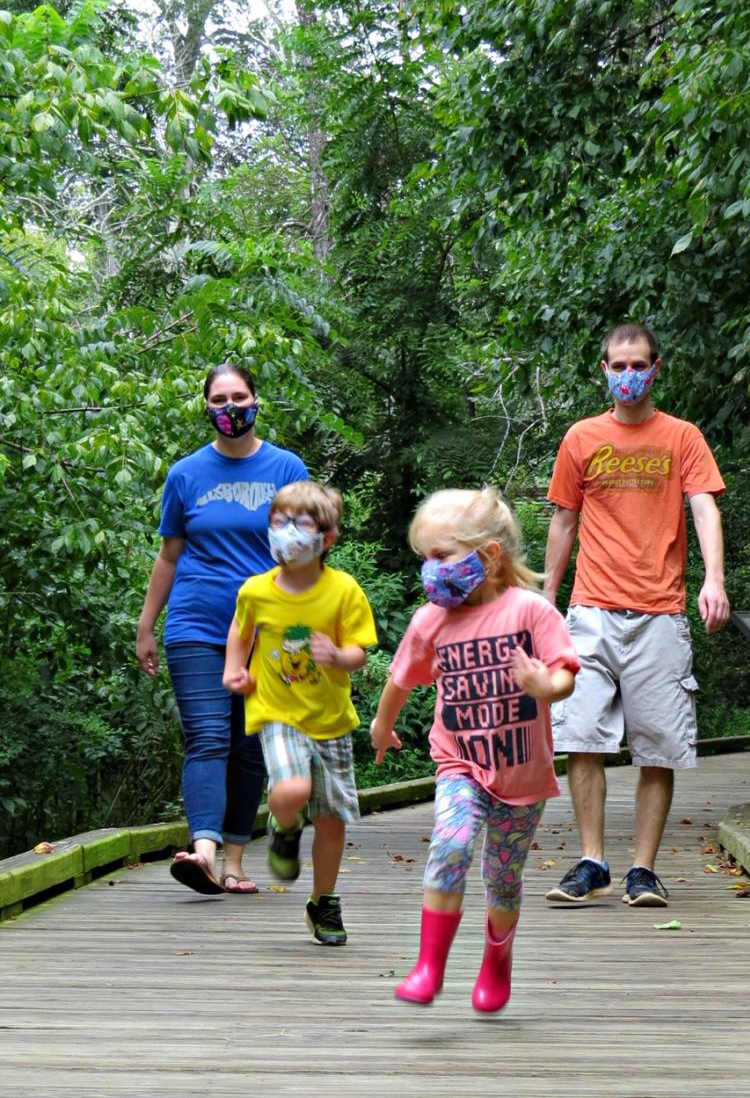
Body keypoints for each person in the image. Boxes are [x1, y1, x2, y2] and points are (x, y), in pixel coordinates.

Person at [370, 487, 579, 1011]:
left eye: (441, 556)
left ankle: (496, 961)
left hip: (523, 776)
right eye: (425, 557)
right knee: (451, 846)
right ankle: (429, 967)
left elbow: (566, 675)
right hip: (459, 763)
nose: (429, 569)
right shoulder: (430, 621)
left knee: (503, 880)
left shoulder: (530, 611)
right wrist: (380, 726)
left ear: (488, 556)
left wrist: (544, 685)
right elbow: (399, 681)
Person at [544, 323, 731, 909]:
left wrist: (715, 579)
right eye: (618, 365)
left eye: (639, 365)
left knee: (658, 746)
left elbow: (703, 509)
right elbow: (564, 522)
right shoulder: (581, 437)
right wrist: (546, 600)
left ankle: (642, 871)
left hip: (660, 613)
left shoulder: (682, 436)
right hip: (591, 611)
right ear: (603, 369)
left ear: (657, 368)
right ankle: (592, 861)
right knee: (581, 737)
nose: (629, 375)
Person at [136, 363, 308, 895]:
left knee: (249, 744)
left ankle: (234, 859)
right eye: (219, 399)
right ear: (206, 407)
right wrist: (147, 626)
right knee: (207, 736)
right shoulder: (186, 474)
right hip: (197, 621)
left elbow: (305, 552)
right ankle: (204, 849)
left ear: (256, 400)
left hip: (269, 629)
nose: (229, 408)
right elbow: (169, 555)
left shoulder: (286, 468)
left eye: (239, 396)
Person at [223, 480, 377, 945]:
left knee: (332, 819)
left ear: (326, 539)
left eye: (300, 524)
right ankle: (283, 825)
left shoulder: (343, 590)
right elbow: (240, 632)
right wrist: (235, 669)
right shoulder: (256, 591)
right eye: (278, 522)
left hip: (330, 720)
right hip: (276, 712)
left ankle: (323, 902)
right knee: (292, 788)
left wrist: (339, 657)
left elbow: (360, 651)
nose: (286, 532)